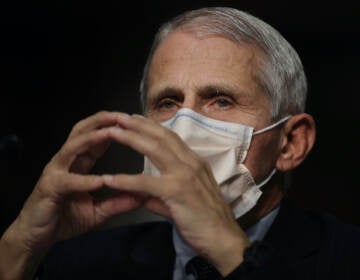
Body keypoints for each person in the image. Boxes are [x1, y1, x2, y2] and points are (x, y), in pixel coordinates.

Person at [1, 6, 360, 280]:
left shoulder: (346, 258)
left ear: (290, 144)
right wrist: (20, 246)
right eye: (168, 103)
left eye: (220, 100)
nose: (184, 129)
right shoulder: (80, 263)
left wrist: (225, 246)